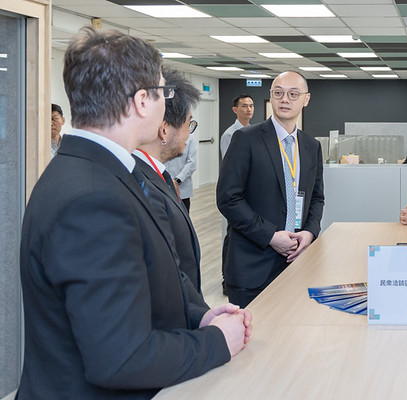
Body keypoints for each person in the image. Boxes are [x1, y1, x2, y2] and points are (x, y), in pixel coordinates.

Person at [17, 27, 251, 399]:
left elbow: (149, 277)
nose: (166, 102)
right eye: (164, 92)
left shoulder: (101, 171)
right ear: (143, 101)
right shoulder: (92, 199)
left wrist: (199, 316)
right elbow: (120, 358)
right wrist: (216, 341)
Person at [217, 71, 325, 308]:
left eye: (293, 94)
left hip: (296, 261)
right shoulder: (245, 139)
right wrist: (270, 236)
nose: (285, 99)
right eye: (278, 93)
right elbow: (228, 198)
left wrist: (309, 232)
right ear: (271, 96)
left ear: (306, 99)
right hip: (252, 266)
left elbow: (316, 198)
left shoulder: (311, 146)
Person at [133, 66, 203, 292]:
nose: (189, 134)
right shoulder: (142, 184)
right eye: (188, 124)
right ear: (164, 130)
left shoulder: (159, 176)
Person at [165, 134, 198, 211]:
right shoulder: (162, 135)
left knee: (183, 215)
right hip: (164, 187)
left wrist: (177, 180)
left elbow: (192, 164)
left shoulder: (190, 137)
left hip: (182, 189)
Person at [220, 93, 254, 159]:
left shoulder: (254, 132)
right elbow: (227, 161)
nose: (249, 109)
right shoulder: (229, 135)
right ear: (235, 110)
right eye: (244, 106)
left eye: (251, 106)